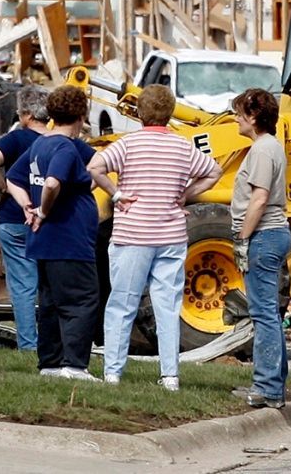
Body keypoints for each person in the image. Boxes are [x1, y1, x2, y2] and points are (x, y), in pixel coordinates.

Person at [87, 84, 221, 390]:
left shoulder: (128, 144)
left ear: (140, 112)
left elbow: (95, 167)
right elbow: (213, 172)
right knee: (167, 306)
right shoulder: (183, 146)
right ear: (171, 112)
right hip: (171, 233)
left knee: (122, 303)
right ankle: (170, 375)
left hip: (133, 233)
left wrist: (117, 194)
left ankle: (113, 372)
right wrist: (184, 195)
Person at [6, 84, 100, 381]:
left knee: (50, 302)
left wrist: (27, 207)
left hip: (44, 241)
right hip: (68, 238)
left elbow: (12, 178)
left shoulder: (40, 143)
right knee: (81, 300)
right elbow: (51, 183)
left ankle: (49, 363)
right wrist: (43, 210)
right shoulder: (64, 147)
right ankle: (74, 365)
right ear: (82, 114)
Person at [231, 88, 291, 410]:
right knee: (269, 312)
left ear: (254, 117)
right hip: (273, 233)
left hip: (264, 235)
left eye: (240, 113)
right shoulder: (268, 147)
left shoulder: (262, 150)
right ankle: (274, 384)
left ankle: (267, 388)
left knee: (263, 314)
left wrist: (242, 238)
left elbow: (259, 198)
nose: (236, 119)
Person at [0, 85, 50, 351]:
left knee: (22, 287)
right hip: (50, 220)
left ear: (25, 114)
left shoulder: (17, 139)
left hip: (15, 219)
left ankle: (29, 346)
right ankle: (52, 342)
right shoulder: (57, 140)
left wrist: (4, 187)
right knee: (49, 285)